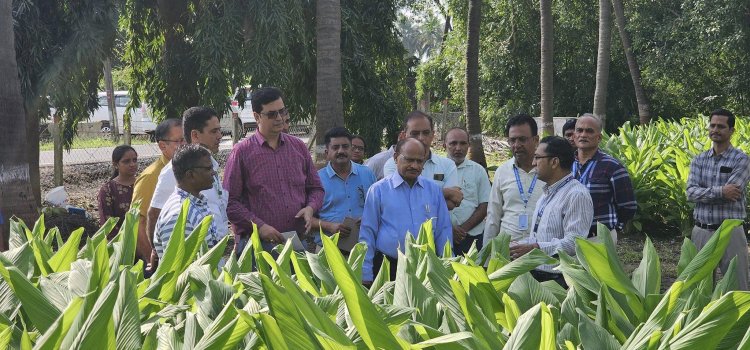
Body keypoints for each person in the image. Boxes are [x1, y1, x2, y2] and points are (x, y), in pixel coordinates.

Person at [224, 87, 324, 253]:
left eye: (282, 111)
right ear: (257, 117)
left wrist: (310, 208)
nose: (279, 118)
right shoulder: (242, 152)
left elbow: (316, 188)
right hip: (257, 245)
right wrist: (259, 226)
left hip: (296, 243)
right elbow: (230, 202)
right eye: (272, 114)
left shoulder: (298, 147)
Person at [360, 138, 453, 283]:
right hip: (388, 267)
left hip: (426, 269)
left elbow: (443, 231)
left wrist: (448, 267)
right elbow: (368, 233)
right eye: (409, 160)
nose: (414, 165)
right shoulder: (378, 190)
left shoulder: (433, 190)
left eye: (419, 161)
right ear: (396, 157)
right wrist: (365, 272)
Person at [148, 107, 228, 265]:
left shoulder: (209, 166)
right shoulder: (174, 171)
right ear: (195, 135)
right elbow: (154, 215)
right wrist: (158, 254)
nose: (220, 136)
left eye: (220, 131)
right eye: (214, 131)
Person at [510, 136, 593, 288]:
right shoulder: (546, 193)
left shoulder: (576, 194)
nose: (533, 163)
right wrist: (518, 246)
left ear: (554, 162)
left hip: (560, 279)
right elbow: (540, 236)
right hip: (537, 273)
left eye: (537, 157)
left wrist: (536, 248)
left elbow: (575, 243)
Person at [687, 108, 750, 290]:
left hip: (730, 232)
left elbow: (733, 193)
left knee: (738, 287)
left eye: (721, 126)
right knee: (698, 289)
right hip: (701, 231)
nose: (715, 129)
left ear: (731, 131)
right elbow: (690, 193)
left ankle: (742, 320)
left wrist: (706, 193)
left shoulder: (742, 160)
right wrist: (721, 191)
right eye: (712, 125)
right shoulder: (699, 160)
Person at [573, 114, 636, 242]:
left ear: (599, 138)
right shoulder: (564, 165)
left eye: (589, 131)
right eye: (579, 130)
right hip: (568, 239)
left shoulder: (612, 167)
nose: (583, 135)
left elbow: (628, 206)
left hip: (599, 238)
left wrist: (612, 229)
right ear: (574, 136)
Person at [484, 114, 545, 244]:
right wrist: (486, 257)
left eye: (522, 139)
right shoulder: (502, 171)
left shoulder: (549, 171)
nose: (517, 145)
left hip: (541, 252)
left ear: (536, 140)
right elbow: (493, 216)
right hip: (507, 251)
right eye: (512, 140)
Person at [383, 111, 463, 209]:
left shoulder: (447, 165)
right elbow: (399, 200)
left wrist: (414, 198)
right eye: (415, 133)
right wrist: (445, 192)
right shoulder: (392, 164)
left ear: (433, 135)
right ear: (404, 135)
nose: (421, 138)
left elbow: (451, 204)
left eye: (426, 133)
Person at [131, 119, 184, 264]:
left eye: (186, 139)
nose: (185, 145)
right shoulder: (151, 176)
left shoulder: (186, 169)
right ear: (162, 145)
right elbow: (138, 223)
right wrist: (153, 260)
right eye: (179, 141)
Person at [312, 127, 376, 247]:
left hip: (364, 247)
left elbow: (379, 207)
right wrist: (329, 226)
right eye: (335, 147)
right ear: (327, 153)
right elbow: (307, 219)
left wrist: (368, 218)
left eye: (345, 146)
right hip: (329, 250)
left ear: (351, 149)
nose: (341, 151)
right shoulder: (317, 180)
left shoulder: (367, 174)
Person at [153, 144, 220, 258]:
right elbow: (175, 266)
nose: (214, 173)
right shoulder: (178, 215)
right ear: (190, 175)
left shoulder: (197, 202)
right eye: (208, 168)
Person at [444, 127, 491, 253]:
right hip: (442, 236)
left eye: (463, 143)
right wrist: (449, 229)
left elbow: (484, 204)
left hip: (472, 237)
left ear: (468, 145)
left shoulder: (478, 170)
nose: (458, 148)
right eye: (453, 143)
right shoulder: (436, 169)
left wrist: (463, 230)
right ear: (445, 145)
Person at [98, 144, 138, 238]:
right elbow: (108, 224)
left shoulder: (143, 183)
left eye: (135, 160)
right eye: (126, 161)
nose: (132, 164)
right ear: (116, 164)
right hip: (120, 243)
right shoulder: (108, 190)